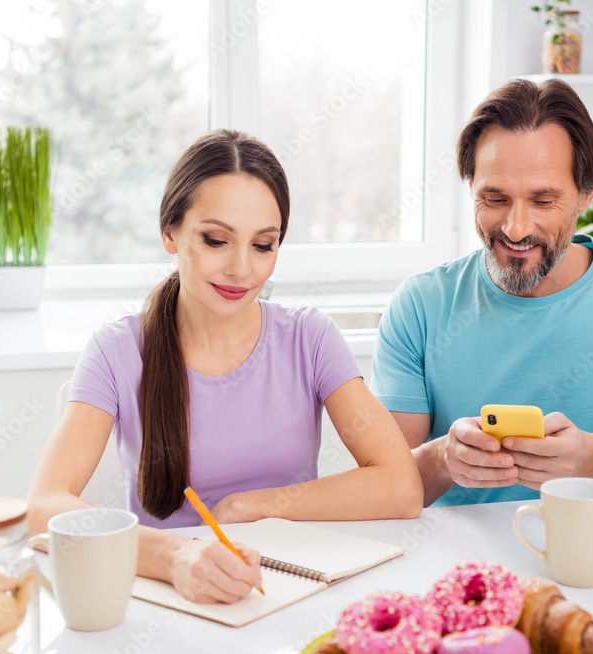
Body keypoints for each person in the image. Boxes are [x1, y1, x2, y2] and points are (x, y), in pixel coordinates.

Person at [28, 129, 423, 604]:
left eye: (263, 245)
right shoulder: (117, 351)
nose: (242, 270)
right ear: (170, 233)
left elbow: (401, 487)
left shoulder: (310, 338)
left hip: (290, 589)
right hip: (174, 596)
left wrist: (254, 506)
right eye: (216, 240)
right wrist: (173, 556)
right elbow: (44, 507)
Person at [370, 79, 593, 507]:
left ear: (586, 194)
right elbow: (382, 486)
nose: (516, 228)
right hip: (458, 567)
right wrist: (444, 459)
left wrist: (592, 458)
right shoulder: (420, 305)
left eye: (543, 200)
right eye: (494, 198)